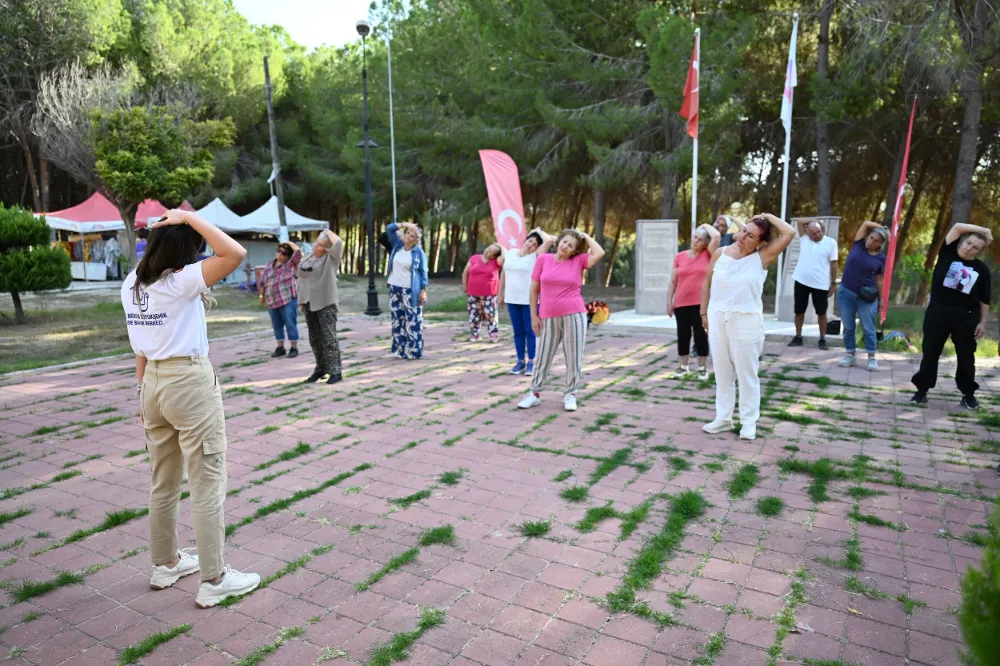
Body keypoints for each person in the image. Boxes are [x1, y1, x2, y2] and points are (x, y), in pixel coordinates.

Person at [121, 209, 259, 608]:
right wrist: (188, 216)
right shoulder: (180, 281)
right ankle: (214, 578)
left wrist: (142, 393)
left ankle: (165, 564)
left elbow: (139, 349)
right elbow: (234, 253)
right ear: (186, 248)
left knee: (163, 481)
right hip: (188, 383)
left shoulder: (133, 283)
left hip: (152, 383)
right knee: (206, 480)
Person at [701, 213, 796, 440]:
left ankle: (748, 422)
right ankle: (723, 418)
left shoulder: (763, 256)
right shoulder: (720, 253)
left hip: (746, 323)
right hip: (717, 319)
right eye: (744, 230)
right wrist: (703, 313)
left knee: (746, 374)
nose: (743, 235)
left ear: (761, 242)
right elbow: (706, 284)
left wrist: (768, 217)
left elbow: (789, 233)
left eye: (750, 235)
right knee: (723, 374)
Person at [517, 229, 606, 412]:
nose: (566, 246)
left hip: (574, 315)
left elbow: (599, 253)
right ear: (559, 242)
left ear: (575, 251)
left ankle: (570, 394)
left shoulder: (578, 261)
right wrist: (534, 316)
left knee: (573, 356)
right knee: (542, 356)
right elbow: (534, 289)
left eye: (571, 245)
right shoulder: (543, 259)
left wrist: (584, 236)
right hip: (547, 316)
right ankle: (534, 393)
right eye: (564, 242)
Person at [911, 223, 993, 409]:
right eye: (968, 243)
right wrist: (982, 230)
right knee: (931, 351)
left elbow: (985, 298)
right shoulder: (947, 253)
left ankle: (968, 394)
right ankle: (921, 391)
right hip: (938, 312)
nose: (969, 248)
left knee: (966, 356)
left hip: (966, 316)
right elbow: (956, 227)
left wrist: (982, 322)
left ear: (979, 252)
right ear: (962, 241)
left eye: (975, 248)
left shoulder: (981, 269)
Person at [667, 223, 721, 379]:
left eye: (699, 239)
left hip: (701, 304)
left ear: (705, 243)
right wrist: (669, 301)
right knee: (682, 335)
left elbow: (716, 236)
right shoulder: (680, 256)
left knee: (700, 336)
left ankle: (702, 368)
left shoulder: (709, 254)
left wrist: (704, 225)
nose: (695, 241)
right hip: (681, 303)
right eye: (694, 237)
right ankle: (683, 367)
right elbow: (672, 281)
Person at [498, 229, 554, 375]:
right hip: (512, 299)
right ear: (525, 240)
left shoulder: (536, 257)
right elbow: (503, 273)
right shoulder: (510, 253)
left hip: (530, 300)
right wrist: (500, 294)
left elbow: (548, 241)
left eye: (535, 244)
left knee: (531, 331)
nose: (531, 245)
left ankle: (532, 362)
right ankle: (520, 361)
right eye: (530, 241)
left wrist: (538, 231)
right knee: (518, 332)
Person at [837, 221, 888, 371]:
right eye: (870, 237)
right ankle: (850, 355)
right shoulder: (859, 244)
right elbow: (865, 224)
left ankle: (871, 358)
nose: (871, 241)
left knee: (868, 328)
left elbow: (880, 280)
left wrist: (882, 299)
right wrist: (884, 228)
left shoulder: (880, 258)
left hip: (867, 297)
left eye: (875, 240)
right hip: (846, 292)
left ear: (880, 244)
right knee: (848, 327)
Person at [298, 230, 345, 384]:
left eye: (320, 245)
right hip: (309, 302)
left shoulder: (331, 259)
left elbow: (338, 243)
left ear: (326, 249)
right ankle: (321, 369)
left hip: (325, 302)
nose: (316, 246)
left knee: (328, 337)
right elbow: (302, 280)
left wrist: (327, 231)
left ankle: (335, 371)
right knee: (315, 338)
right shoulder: (308, 257)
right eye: (316, 242)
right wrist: (301, 299)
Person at [789, 219, 839, 349]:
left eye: (818, 232)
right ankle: (798, 336)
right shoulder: (804, 239)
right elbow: (800, 222)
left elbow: (834, 264)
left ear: (822, 230)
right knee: (799, 310)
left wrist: (833, 283)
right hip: (801, 281)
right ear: (808, 233)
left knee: (821, 313)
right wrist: (813, 221)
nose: (817, 235)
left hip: (821, 284)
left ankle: (822, 339)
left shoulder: (830, 243)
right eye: (813, 233)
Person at [386, 222, 429, 360]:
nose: (409, 237)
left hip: (410, 289)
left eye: (413, 236)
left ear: (416, 239)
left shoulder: (418, 253)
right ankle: (400, 349)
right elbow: (389, 229)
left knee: (412, 320)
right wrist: (407, 224)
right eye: (408, 233)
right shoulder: (397, 245)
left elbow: (423, 272)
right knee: (397, 320)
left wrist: (423, 290)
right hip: (393, 288)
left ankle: (414, 350)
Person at [259, 241, 302, 359]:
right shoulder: (269, 265)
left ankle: (294, 348)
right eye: (279, 251)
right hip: (272, 301)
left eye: (284, 253)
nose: (280, 254)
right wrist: (261, 296)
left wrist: (288, 242)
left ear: (288, 256)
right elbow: (264, 281)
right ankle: (280, 347)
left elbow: (298, 253)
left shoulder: (290, 265)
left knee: (290, 324)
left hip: (287, 300)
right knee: (277, 325)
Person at [463, 243, 502, 342]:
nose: (488, 251)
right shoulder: (475, 258)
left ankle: (493, 335)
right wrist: (465, 285)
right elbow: (466, 272)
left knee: (491, 314)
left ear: (494, 256)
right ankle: (474, 335)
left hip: (489, 294)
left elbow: (504, 257)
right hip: (473, 292)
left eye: (491, 251)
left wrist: (501, 246)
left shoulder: (496, 261)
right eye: (488, 248)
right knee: (474, 314)